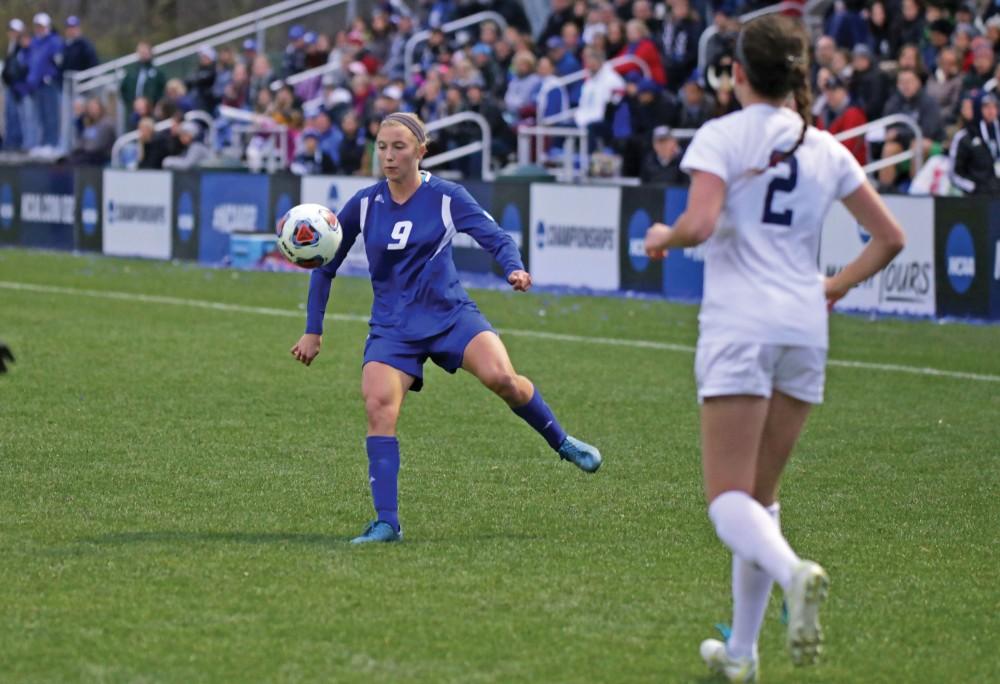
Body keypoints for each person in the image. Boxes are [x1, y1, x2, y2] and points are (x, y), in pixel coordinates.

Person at [643, 15, 904, 682]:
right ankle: (743, 655)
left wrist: (660, 236)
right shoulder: (827, 147)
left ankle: (794, 573)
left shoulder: (722, 135)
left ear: (735, 73)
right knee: (760, 497)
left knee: (726, 498)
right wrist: (833, 287)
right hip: (803, 327)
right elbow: (891, 238)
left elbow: (699, 225)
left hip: (741, 325)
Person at [289, 112, 603, 545]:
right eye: (382, 146)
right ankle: (387, 522)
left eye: (399, 147)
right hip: (393, 328)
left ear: (422, 150)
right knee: (379, 407)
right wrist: (313, 329)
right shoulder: (364, 203)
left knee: (503, 379)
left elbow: (496, 237)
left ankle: (562, 441)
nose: (389, 155)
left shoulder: (446, 197)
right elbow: (325, 266)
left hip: (450, 315)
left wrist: (514, 269)